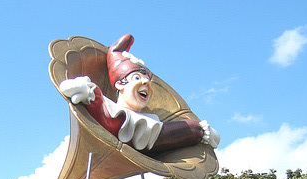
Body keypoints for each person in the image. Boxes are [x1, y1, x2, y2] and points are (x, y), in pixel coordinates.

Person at [59, 34, 220, 155]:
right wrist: (88, 91)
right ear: (120, 84)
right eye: (137, 78)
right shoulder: (108, 107)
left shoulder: (149, 122)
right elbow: (108, 118)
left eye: (146, 79)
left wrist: (199, 131)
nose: (145, 83)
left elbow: (165, 134)